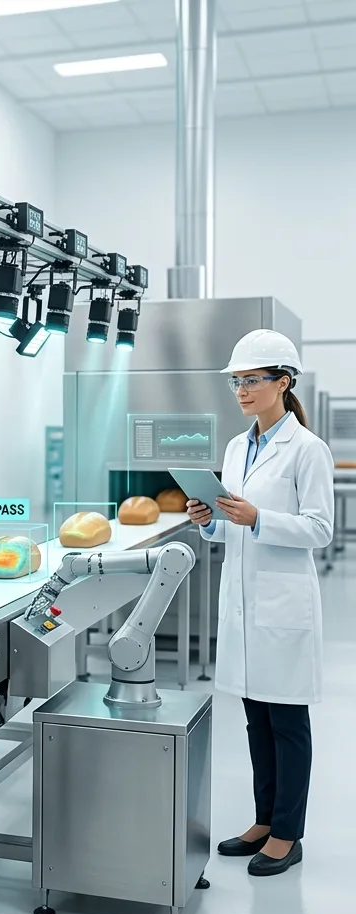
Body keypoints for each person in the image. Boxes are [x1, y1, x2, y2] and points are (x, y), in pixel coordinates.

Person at [186, 330, 333, 877]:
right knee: (255, 717)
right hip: (246, 605)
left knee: (287, 722)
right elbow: (231, 529)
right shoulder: (235, 446)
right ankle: (264, 820)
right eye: (236, 382)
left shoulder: (308, 450)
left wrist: (260, 519)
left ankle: (289, 834)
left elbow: (320, 530)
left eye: (252, 381)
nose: (242, 390)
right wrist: (211, 523)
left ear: (282, 382)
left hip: (283, 606)